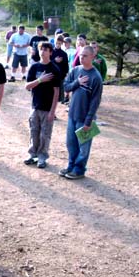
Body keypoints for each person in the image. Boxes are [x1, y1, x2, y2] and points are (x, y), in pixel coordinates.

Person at [60, 46, 103, 180]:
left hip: (85, 118)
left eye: (85, 56)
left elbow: (95, 101)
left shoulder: (96, 77)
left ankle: (79, 169)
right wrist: (77, 83)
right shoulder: (76, 70)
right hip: (72, 114)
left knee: (83, 147)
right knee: (71, 143)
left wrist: (89, 121)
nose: (81, 58)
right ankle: (71, 166)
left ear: (92, 57)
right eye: (80, 55)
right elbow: (66, 87)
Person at [24, 42, 60, 168]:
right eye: (41, 49)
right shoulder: (34, 68)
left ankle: (42, 157)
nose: (43, 52)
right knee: (34, 132)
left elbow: (57, 91)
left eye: (46, 49)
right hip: (35, 106)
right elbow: (27, 86)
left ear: (50, 52)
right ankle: (32, 154)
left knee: (45, 134)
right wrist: (40, 80)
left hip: (47, 108)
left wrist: (53, 111)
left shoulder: (54, 69)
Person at [51, 35, 69, 104]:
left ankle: (54, 111)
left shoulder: (64, 54)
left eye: (59, 43)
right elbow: (47, 61)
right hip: (51, 75)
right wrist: (54, 60)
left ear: (61, 43)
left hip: (60, 76)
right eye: (56, 43)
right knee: (50, 94)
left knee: (58, 95)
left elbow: (66, 65)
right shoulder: (51, 52)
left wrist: (65, 74)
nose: (57, 45)